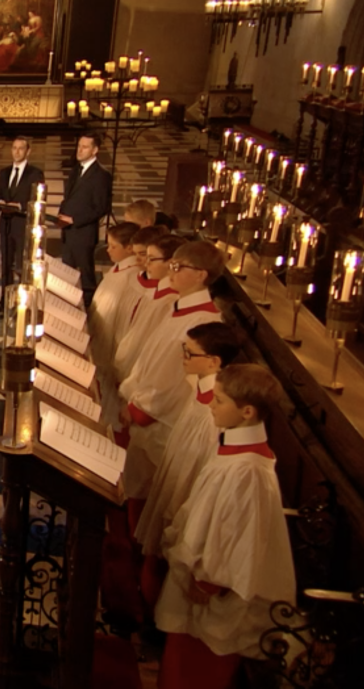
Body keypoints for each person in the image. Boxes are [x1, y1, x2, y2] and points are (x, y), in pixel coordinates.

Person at [154, 364, 295, 689]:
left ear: (247, 411)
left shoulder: (249, 472)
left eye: (219, 400)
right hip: (198, 580)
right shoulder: (234, 448)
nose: (211, 405)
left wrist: (208, 582)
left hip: (213, 595)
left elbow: (239, 535)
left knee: (194, 674)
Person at [135, 322, 240, 610]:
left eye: (190, 353)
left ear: (214, 361)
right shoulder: (200, 387)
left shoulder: (214, 414)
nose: (183, 357)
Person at [118, 241, 224, 517]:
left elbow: (171, 377)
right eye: (172, 265)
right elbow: (150, 355)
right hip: (145, 405)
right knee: (136, 483)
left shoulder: (201, 322)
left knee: (154, 493)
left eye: (179, 267)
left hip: (161, 419)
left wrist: (138, 407)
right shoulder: (178, 307)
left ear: (201, 275)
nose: (171, 272)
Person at [114, 234, 185, 385]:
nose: (146, 263)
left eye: (151, 259)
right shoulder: (156, 293)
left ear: (171, 263)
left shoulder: (169, 302)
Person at [88, 222, 139, 430]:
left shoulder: (129, 278)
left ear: (129, 248)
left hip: (111, 351)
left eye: (113, 246)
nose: (108, 250)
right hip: (100, 343)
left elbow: (119, 320)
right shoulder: (119, 269)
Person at [57, 133, 113, 305]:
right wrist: (61, 214)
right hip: (68, 231)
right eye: (79, 146)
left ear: (95, 150)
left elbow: (102, 207)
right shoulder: (76, 170)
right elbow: (69, 197)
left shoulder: (102, 175)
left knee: (86, 277)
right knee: (67, 275)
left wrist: (75, 219)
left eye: (85, 147)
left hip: (84, 233)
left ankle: (89, 310)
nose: (79, 150)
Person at [0, 135, 46, 290]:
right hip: (6, 225)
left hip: (22, 225)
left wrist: (20, 205)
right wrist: (0, 202)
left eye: (21, 148)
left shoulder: (35, 173)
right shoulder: (4, 172)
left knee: (22, 266)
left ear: (28, 151)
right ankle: (5, 300)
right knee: (5, 264)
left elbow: (38, 198)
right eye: (14, 148)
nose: (17, 152)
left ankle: (22, 300)